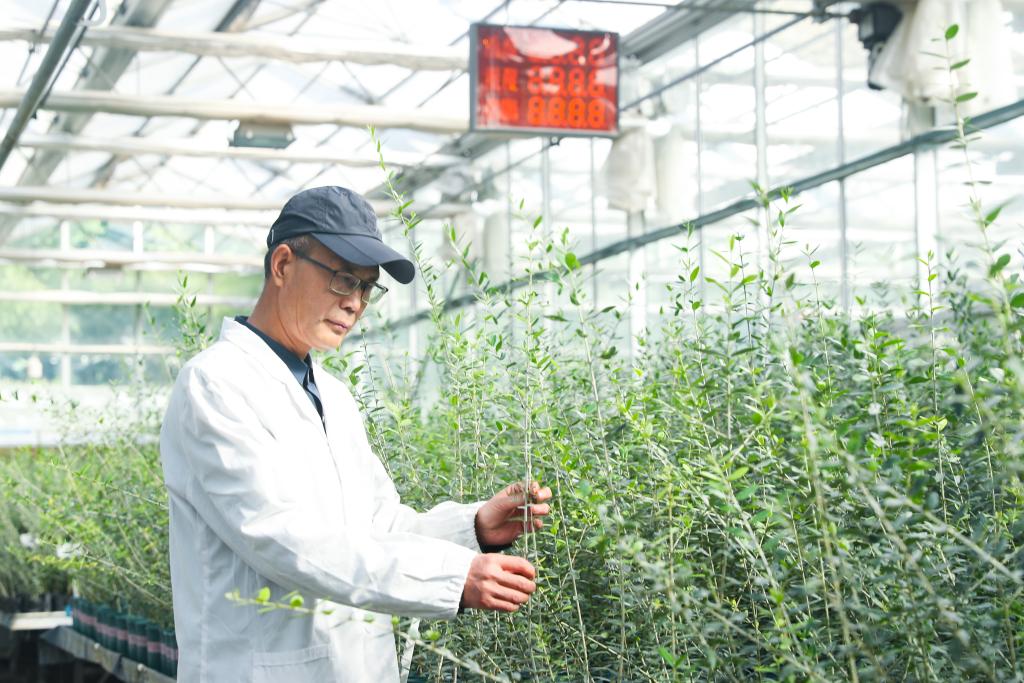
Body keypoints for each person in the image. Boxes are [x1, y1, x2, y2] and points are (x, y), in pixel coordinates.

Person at [159, 185, 552, 682]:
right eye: (344, 279)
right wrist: (453, 579)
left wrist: (472, 528)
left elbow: (378, 526)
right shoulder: (215, 384)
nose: (355, 304)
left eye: (367, 288)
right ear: (283, 265)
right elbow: (283, 539)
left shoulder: (333, 396)